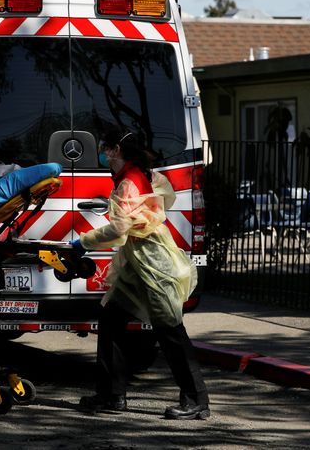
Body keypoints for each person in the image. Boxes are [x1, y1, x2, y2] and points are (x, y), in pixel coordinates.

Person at [70, 126, 209, 420]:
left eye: (104, 147)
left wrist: (82, 242)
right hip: (139, 262)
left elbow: (120, 230)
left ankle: (196, 400)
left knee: (170, 328)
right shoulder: (142, 174)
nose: (102, 153)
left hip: (152, 264)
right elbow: (159, 202)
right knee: (110, 318)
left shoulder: (128, 183)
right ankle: (110, 395)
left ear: (115, 150)